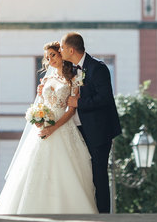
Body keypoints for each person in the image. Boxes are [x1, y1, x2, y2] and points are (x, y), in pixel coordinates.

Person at [0, 41, 98, 214]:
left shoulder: (74, 78)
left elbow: (71, 110)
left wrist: (52, 128)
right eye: (47, 58)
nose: (50, 60)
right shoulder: (46, 79)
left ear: (61, 53)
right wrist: (39, 117)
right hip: (43, 127)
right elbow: (41, 103)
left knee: (65, 171)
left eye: (53, 55)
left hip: (62, 127)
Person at [60, 32, 122, 213]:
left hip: (98, 132)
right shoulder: (71, 68)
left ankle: (103, 216)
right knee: (83, 175)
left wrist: (78, 103)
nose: (61, 50)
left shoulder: (98, 68)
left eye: (63, 47)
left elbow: (105, 98)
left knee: (99, 176)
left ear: (71, 50)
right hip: (78, 130)